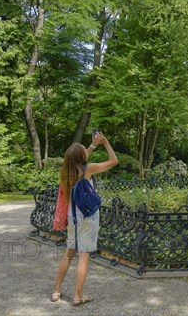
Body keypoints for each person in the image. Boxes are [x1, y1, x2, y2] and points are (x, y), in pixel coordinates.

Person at [50, 131, 118, 307]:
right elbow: (113, 161)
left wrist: (93, 145)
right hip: (86, 215)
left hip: (72, 215)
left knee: (69, 252)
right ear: (82, 157)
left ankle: (56, 291)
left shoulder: (66, 171)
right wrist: (106, 143)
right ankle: (78, 296)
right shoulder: (88, 169)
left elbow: (79, 157)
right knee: (84, 256)